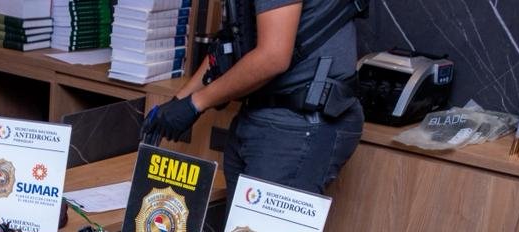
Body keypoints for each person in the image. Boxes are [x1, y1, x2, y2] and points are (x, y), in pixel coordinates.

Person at [144, 0, 365, 196]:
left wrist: (196, 103)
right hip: (262, 114)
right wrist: (180, 102)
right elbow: (233, 42)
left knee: (263, 230)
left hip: (298, 126)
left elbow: (272, 57)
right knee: (241, 229)